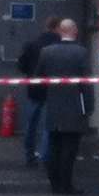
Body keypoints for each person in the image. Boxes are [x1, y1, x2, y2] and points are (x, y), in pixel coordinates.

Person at [35, 18, 92, 195]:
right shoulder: (81, 53)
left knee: (54, 146)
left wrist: (45, 98)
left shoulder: (46, 52)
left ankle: (54, 183)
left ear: (59, 32)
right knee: (70, 148)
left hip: (54, 105)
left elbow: (39, 77)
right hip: (74, 106)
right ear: (74, 31)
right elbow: (86, 83)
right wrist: (88, 107)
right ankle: (66, 185)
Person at [15, 15, 61, 166]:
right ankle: (45, 156)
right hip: (53, 90)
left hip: (34, 89)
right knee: (48, 124)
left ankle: (29, 155)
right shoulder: (60, 45)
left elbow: (21, 65)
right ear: (57, 28)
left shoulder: (32, 44)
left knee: (31, 124)